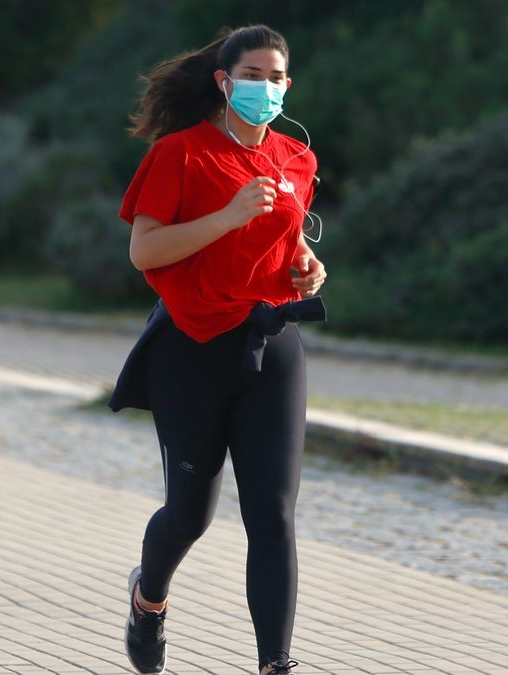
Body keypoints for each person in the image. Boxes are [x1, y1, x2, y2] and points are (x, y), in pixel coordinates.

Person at [107, 24, 326, 675]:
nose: (265, 86)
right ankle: (148, 599)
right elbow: (145, 250)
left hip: (271, 345)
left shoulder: (296, 158)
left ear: (288, 85)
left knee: (273, 514)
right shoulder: (180, 153)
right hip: (192, 349)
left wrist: (307, 266)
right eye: (252, 75)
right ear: (225, 83)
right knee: (189, 516)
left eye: (275, 77)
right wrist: (228, 216)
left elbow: (283, 241)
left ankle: (274, 664)